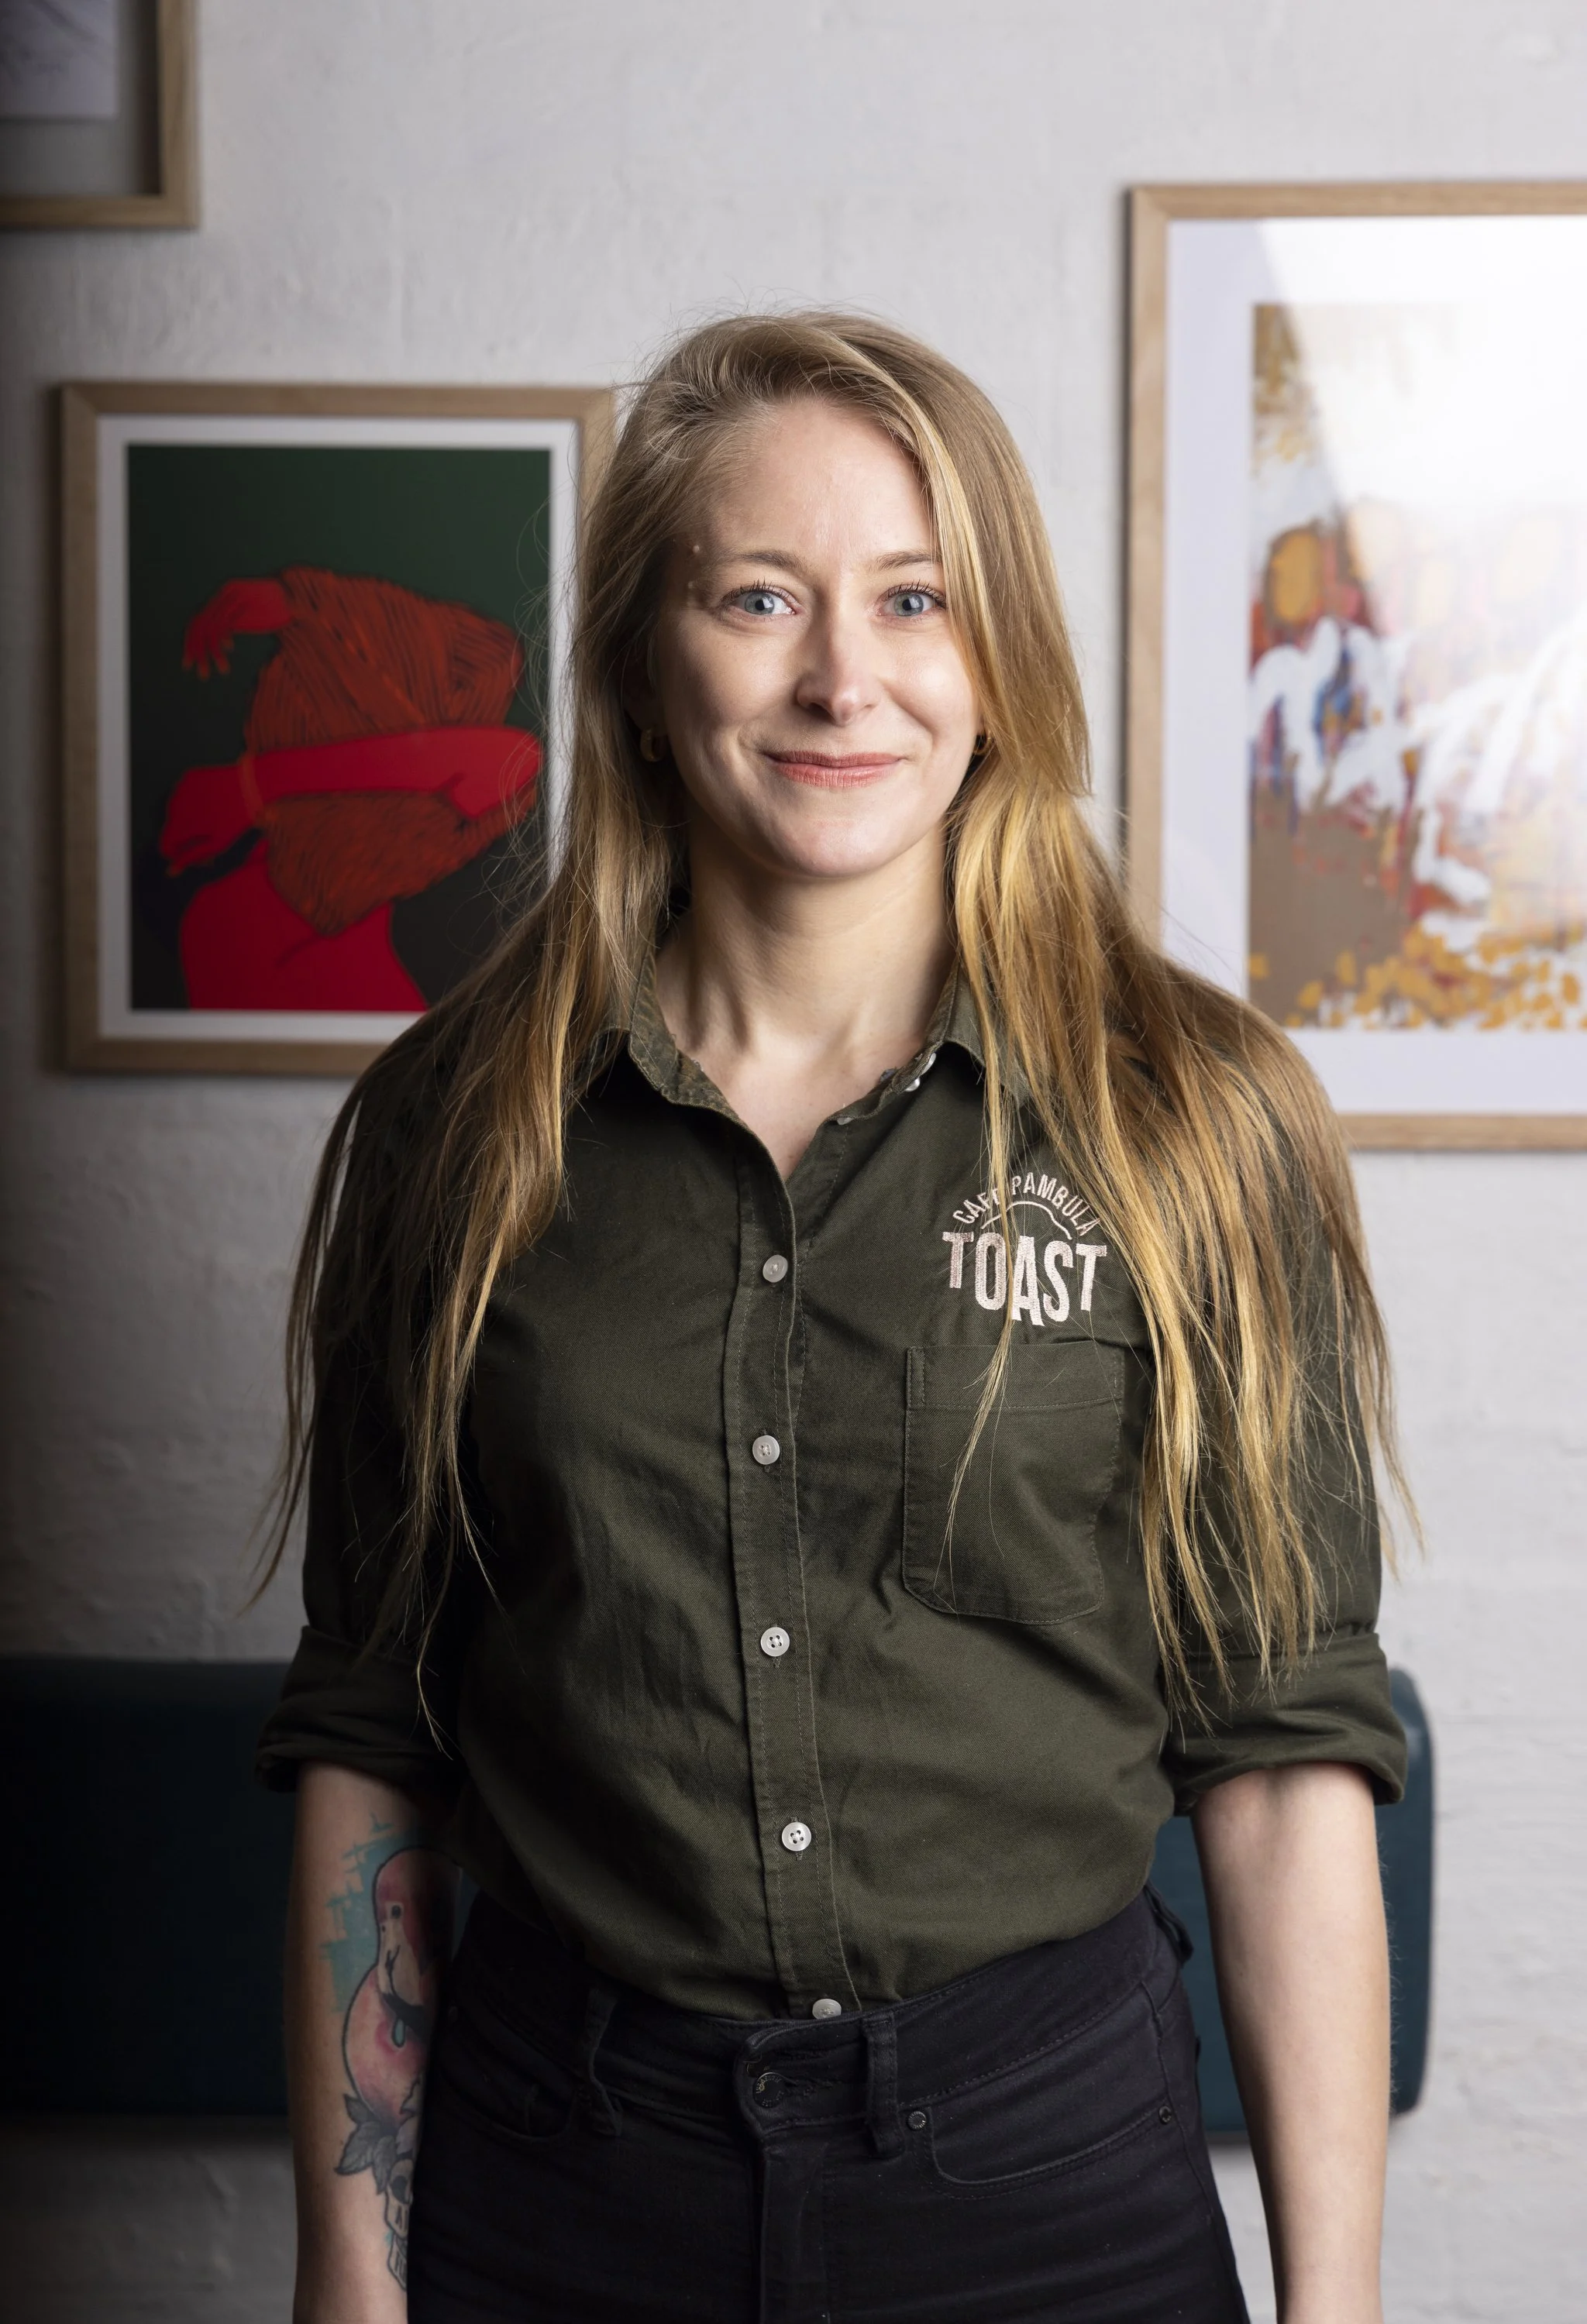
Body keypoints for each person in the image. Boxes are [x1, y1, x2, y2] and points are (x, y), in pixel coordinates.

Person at [256, 312, 1408, 2324]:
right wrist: (348, 2282)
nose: (841, 677)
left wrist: (1339, 2312)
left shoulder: (1192, 1126)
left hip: (1047, 2173)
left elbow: (1286, 1761)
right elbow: (378, 1736)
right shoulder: (454, 1130)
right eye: (759, 597)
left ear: (1000, 656)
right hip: (560, 2180)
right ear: (639, 655)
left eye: (914, 600)